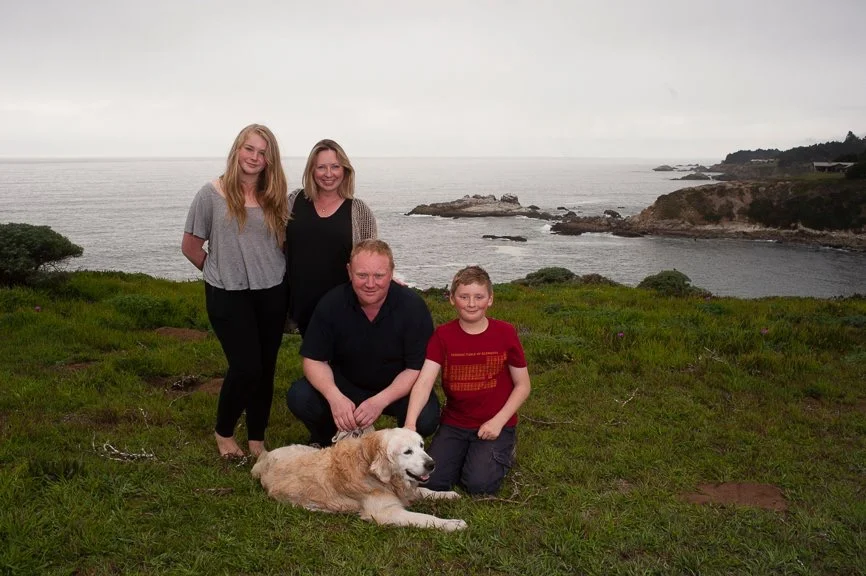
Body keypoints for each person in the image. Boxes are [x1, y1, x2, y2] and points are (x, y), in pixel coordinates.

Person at [181, 124, 289, 458]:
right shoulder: (210, 194)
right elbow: (190, 246)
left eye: (262, 152)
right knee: (246, 368)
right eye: (249, 149)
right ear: (237, 150)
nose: (255, 157)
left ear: (269, 160)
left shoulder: (276, 197)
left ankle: (257, 438)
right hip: (228, 294)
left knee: (266, 367)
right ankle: (224, 432)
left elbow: (282, 246)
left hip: (272, 292)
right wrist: (218, 271)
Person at [286, 239, 440, 446]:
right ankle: (329, 438)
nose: (370, 284)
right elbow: (313, 360)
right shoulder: (331, 303)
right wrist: (335, 398)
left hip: (397, 387)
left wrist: (380, 401)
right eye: (362, 275)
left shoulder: (412, 307)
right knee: (300, 397)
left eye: (379, 275)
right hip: (348, 383)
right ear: (349, 272)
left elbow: (415, 368)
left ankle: (399, 446)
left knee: (426, 418)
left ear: (391, 272)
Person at [404, 266, 531, 495]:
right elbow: (424, 382)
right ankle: (467, 453)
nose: (471, 303)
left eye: (479, 297)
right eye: (464, 297)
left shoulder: (505, 333)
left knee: (478, 485)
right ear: (452, 299)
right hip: (455, 423)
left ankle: (503, 450)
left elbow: (523, 385)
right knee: (430, 481)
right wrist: (411, 425)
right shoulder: (443, 335)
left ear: (490, 299)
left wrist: (498, 422)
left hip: (495, 425)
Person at [285, 139, 377, 335]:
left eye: (335, 166)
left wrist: (387, 279)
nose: (328, 174)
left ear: (345, 170)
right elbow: (273, 243)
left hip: (345, 307)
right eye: (321, 167)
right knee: (314, 362)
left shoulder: (359, 210)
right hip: (303, 306)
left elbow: (373, 259)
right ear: (312, 170)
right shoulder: (293, 201)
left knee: (344, 363)